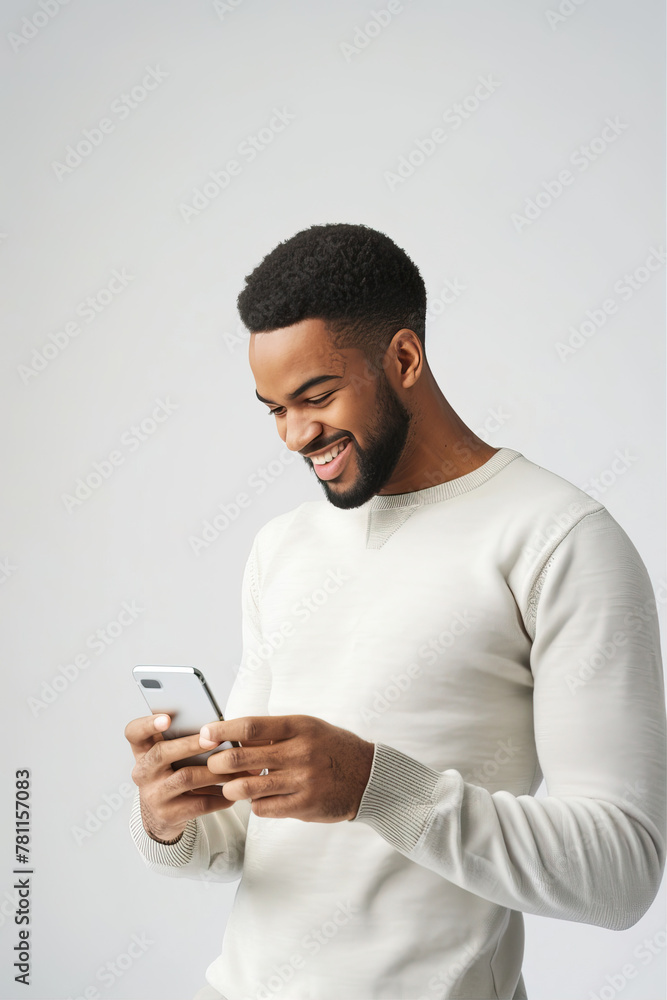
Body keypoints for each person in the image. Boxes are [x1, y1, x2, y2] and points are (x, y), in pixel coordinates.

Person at [125, 223, 666, 1000]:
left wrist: (375, 787)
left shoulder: (557, 541)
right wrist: (170, 814)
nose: (294, 435)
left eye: (315, 397)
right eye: (273, 409)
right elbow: (237, 838)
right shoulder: (281, 546)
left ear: (403, 359)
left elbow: (619, 874)